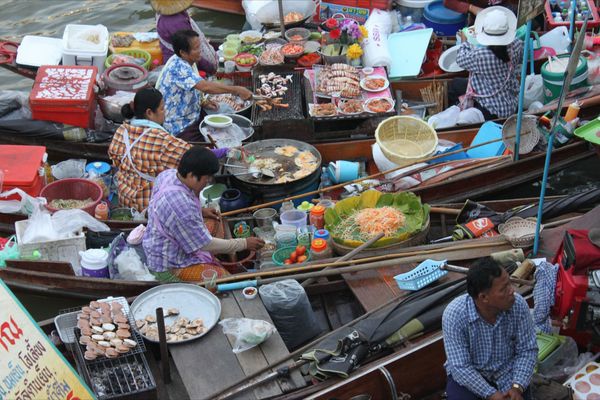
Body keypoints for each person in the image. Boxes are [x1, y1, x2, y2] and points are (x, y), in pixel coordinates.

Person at [142, 146, 265, 279]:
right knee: (223, 279)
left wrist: (202, 211)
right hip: (170, 264)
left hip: (169, 239)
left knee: (215, 220)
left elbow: (171, 212)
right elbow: (205, 243)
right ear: (191, 175)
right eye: (206, 179)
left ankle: (218, 258)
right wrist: (244, 243)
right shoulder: (182, 207)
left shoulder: (168, 174)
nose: (207, 183)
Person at [108, 88, 232, 212]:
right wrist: (227, 151)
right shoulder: (161, 140)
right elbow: (197, 157)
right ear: (149, 112)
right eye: (162, 108)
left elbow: (116, 162)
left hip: (124, 199)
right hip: (148, 206)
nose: (165, 112)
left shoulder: (122, 131)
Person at [442, 257, 537, 400]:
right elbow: (460, 367)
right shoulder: (454, 315)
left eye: (509, 283)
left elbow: (527, 350)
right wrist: (491, 394)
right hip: (471, 377)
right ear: (484, 297)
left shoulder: (518, 305)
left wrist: (517, 386)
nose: (512, 290)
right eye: (504, 288)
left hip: (508, 374)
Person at [156, 29, 253, 140]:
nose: (200, 51)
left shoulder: (186, 60)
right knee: (218, 142)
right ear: (183, 52)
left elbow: (193, 87)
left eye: (199, 46)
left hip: (194, 112)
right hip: (181, 125)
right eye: (196, 48)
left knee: (226, 110)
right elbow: (205, 87)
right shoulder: (178, 67)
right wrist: (237, 90)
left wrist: (203, 102)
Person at [453, 6, 523, 120]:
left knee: (455, 84)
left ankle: (458, 108)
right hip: (512, 102)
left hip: (492, 109)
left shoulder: (482, 55)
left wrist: (464, 41)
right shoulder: (517, 44)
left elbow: (460, 59)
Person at [150, 0, 218, 74]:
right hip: (183, 61)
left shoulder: (162, 12)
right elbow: (191, 52)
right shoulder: (177, 22)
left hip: (175, 53)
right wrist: (210, 68)